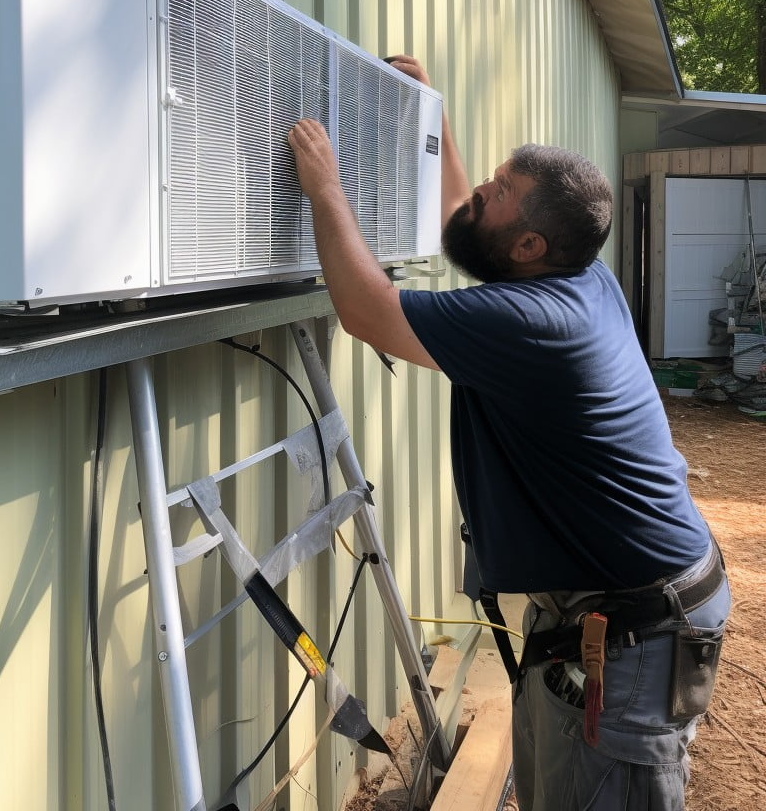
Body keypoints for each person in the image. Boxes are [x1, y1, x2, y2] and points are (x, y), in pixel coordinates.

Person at [287, 55, 730, 811]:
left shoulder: (534, 323)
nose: (479, 195)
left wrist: (324, 187)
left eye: (500, 193)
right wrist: (436, 117)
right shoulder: (575, 271)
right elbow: (469, 218)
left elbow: (366, 311)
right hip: (615, 613)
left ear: (528, 247)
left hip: (631, 635)